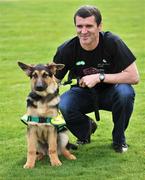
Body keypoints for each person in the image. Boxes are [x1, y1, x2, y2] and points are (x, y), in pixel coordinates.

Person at [53, 5, 139, 153]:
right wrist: (39, 102)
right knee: (63, 104)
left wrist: (99, 77)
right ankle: (85, 130)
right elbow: (54, 81)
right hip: (83, 93)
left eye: (89, 26)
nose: (83, 31)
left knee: (125, 93)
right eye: (79, 26)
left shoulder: (113, 42)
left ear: (99, 26)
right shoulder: (66, 49)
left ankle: (119, 140)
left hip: (113, 92)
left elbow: (134, 76)